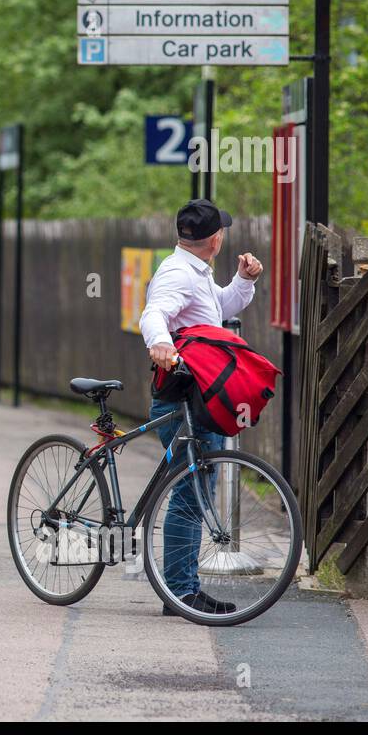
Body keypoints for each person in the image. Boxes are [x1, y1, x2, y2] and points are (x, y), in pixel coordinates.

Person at [139, 199, 263, 617]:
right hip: (179, 397)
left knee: (194, 486)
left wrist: (242, 281)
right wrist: (159, 342)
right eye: (222, 232)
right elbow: (155, 311)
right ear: (215, 239)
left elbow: (218, 311)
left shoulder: (197, 271)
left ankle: (182, 589)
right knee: (191, 492)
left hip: (196, 395)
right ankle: (180, 592)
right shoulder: (177, 273)